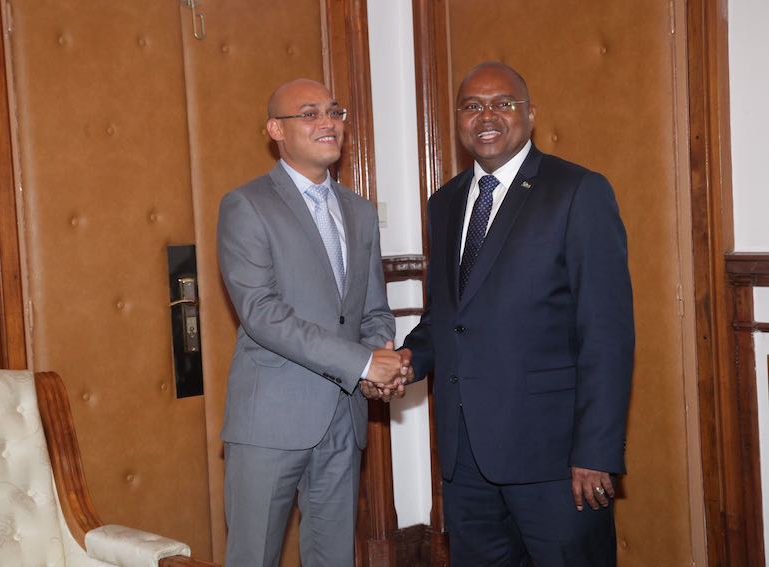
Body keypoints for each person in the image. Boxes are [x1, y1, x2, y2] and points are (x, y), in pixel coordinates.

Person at [399, 62, 635, 566]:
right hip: (465, 460)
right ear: (458, 120)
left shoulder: (577, 191)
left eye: (503, 103)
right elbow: (447, 317)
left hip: (556, 461)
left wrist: (595, 453)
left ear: (531, 114)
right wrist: (405, 361)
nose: (486, 116)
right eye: (472, 106)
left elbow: (607, 334)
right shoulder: (444, 203)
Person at [217, 78, 402, 567]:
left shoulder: (360, 212)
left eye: (334, 112)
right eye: (310, 113)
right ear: (276, 129)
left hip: (344, 417)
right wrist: (363, 363)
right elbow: (262, 314)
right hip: (270, 421)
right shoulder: (246, 205)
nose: (328, 123)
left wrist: (379, 360)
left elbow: (373, 309)